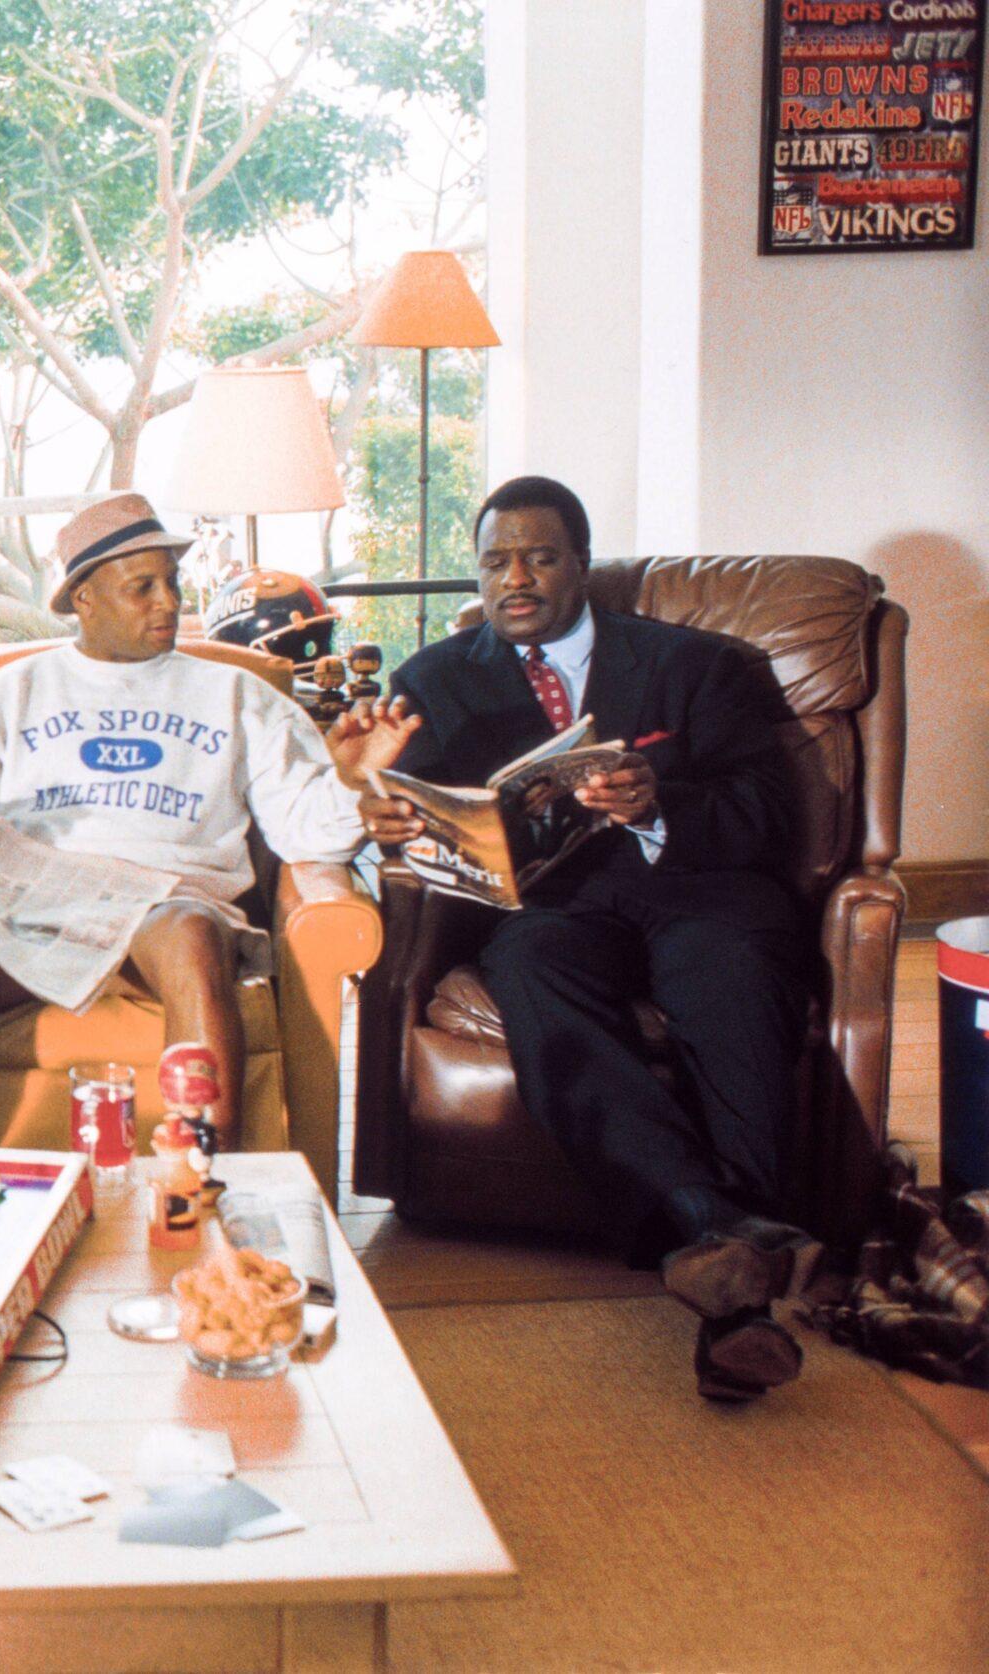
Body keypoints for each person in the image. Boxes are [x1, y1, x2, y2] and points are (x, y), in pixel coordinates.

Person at [360, 474, 813, 1403]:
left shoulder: (696, 664)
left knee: (733, 970)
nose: (515, 579)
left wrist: (658, 804)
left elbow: (769, 812)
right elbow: (412, 824)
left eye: (538, 558)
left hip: (700, 891)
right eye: (495, 562)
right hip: (554, 910)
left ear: (581, 563)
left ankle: (720, 1273)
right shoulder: (433, 683)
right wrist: (390, 825)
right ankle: (720, 1243)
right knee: (529, 970)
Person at [0, 493, 420, 1144]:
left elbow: (302, 832)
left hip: (163, 914)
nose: (168, 603)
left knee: (191, 931)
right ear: (83, 598)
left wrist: (347, 782)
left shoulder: (239, 695)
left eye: (171, 583)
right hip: (31, 919)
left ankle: (201, 1183)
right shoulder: (8, 694)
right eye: (142, 587)